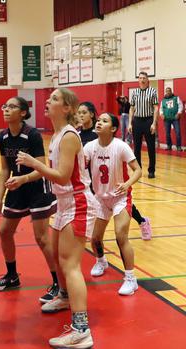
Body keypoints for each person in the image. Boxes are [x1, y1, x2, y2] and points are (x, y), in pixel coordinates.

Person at [16, 88, 97, 348]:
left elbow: (62, 176)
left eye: (54, 99)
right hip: (63, 203)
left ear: (67, 108)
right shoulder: (57, 135)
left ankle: (82, 330)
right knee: (57, 258)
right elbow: (52, 172)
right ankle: (64, 297)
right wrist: (25, 178)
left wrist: (33, 163)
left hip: (78, 203)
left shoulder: (70, 136)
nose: (47, 102)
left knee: (71, 264)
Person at [0, 96, 58, 304]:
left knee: (41, 238)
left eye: (11, 106)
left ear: (22, 113)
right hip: (17, 188)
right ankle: (12, 276)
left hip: (37, 188)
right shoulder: (2, 136)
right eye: (5, 105)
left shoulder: (32, 135)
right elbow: (5, 169)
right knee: (4, 231)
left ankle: (58, 283)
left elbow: (42, 169)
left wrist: (23, 179)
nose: (6, 109)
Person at [83, 113, 141, 295]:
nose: (99, 122)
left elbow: (138, 170)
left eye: (104, 121)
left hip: (120, 198)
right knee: (94, 239)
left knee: (120, 235)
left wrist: (127, 184)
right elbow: (78, 167)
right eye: (98, 120)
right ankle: (101, 261)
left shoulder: (121, 146)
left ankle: (131, 279)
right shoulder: (89, 147)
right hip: (100, 198)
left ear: (114, 128)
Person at [77, 101, 152, 241]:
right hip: (91, 177)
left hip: (108, 175)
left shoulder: (100, 133)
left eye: (84, 112)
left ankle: (142, 221)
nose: (80, 115)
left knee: (120, 200)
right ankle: (93, 237)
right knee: (92, 204)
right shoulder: (77, 134)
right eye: (79, 112)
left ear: (92, 115)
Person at [128, 72, 158, 178]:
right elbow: (131, 108)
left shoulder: (152, 91)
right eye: (140, 78)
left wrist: (154, 123)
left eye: (144, 78)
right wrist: (130, 123)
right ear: (138, 80)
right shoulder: (135, 92)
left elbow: (155, 108)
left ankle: (151, 170)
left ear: (147, 80)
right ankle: (138, 170)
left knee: (151, 147)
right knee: (137, 147)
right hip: (137, 121)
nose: (142, 80)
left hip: (148, 121)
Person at [160, 87, 183, 151]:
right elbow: (161, 109)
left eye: (169, 91)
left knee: (178, 132)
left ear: (171, 91)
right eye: (167, 91)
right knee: (167, 133)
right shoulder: (163, 100)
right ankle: (169, 146)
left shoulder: (176, 98)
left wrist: (178, 113)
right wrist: (161, 114)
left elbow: (181, 106)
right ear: (165, 92)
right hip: (166, 119)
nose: (168, 92)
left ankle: (178, 146)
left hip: (175, 118)